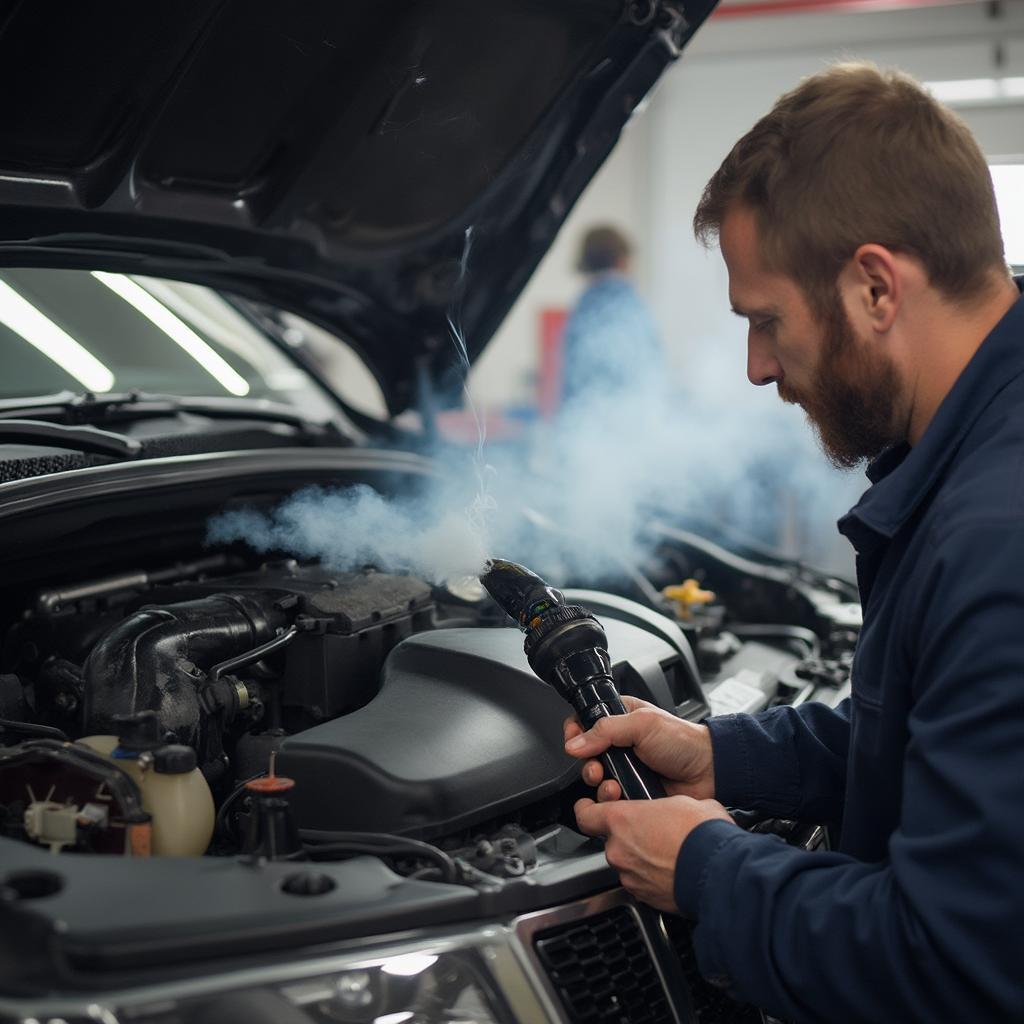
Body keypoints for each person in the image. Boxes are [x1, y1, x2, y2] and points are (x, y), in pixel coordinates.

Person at [562, 63, 1024, 1023]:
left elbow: (953, 966)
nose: (757, 366)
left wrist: (706, 865)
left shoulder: (996, 539)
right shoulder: (977, 457)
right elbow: (927, 736)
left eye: (765, 320)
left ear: (874, 287)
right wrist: (720, 755)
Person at [559, 225, 665, 409]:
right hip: (627, 419)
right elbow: (651, 370)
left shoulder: (583, 309)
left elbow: (571, 381)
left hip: (588, 420)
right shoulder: (628, 305)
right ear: (622, 261)